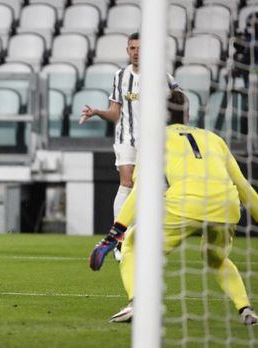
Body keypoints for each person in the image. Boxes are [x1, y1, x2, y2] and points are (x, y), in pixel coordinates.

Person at [88, 90, 258, 326]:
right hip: (226, 206)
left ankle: (138, 304)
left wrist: (115, 233)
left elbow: (141, 189)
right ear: (187, 114)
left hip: (186, 204)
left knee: (132, 246)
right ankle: (246, 309)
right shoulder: (214, 138)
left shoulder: (155, 138)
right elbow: (244, 188)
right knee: (216, 258)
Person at [79, 32, 180, 260]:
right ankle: (119, 241)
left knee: (151, 188)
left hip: (153, 142)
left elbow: (181, 100)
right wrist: (97, 112)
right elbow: (115, 113)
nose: (136, 52)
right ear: (127, 50)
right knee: (127, 182)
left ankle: (147, 237)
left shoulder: (161, 76)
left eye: (140, 48)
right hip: (126, 138)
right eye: (132, 48)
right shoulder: (120, 76)